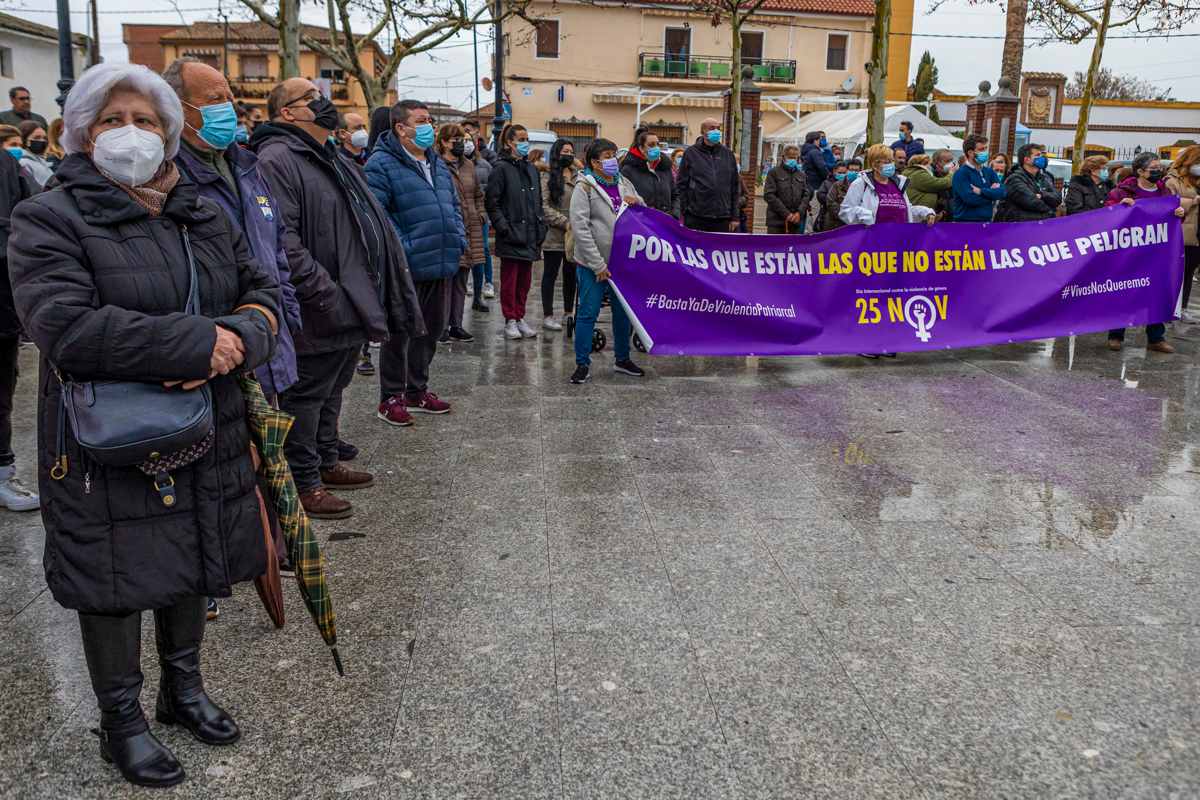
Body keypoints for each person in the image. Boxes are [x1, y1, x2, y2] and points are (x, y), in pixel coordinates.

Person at [8, 62, 280, 788]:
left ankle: (182, 690)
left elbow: (261, 293)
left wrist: (242, 336)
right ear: (82, 133)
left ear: (169, 133)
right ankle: (120, 719)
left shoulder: (199, 210)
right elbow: (63, 325)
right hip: (109, 439)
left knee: (196, 552)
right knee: (118, 574)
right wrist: (197, 343)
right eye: (111, 119)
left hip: (207, 418)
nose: (131, 133)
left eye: (147, 119)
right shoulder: (49, 217)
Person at [164, 57, 304, 614]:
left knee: (266, 457)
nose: (228, 105)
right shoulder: (170, 174)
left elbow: (274, 253)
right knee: (213, 469)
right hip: (211, 352)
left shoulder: (245, 166)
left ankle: (266, 550)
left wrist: (282, 314)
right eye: (213, 96)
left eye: (227, 92)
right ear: (180, 109)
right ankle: (209, 575)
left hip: (265, 338)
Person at [253, 77, 421, 518]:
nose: (321, 103)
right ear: (286, 112)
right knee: (306, 396)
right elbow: (283, 241)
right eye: (309, 98)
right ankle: (303, 482)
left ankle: (327, 460)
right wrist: (327, 293)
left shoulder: (325, 153)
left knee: (334, 388)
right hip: (321, 305)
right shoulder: (277, 158)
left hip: (350, 298)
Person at [366, 99, 465, 421]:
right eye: (421, 121)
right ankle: (390, 397)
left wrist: (458, 238)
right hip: (407, 264)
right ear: (401, 127)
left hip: (442, 259)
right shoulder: (380, 164)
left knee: (431, 330)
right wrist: (403, 247)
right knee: (401, 332)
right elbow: (376, 216)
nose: (429, 127)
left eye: (430, 120)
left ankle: (416, 391)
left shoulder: (436, 163)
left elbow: (452, 205)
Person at [568, 137, 645, 384]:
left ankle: (622, 359)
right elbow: (580, 229)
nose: (613, 160)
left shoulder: (623, 182)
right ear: (594, 162)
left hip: (623, 263)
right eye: (607, 156)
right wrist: (597, 265)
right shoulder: (584, 187)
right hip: (594, 265)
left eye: (614, 154)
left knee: (623, 314)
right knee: (588, 313)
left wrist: (638, 202)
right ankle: (582, 363)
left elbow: (642, 209)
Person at [1104, 152, 1185, 353]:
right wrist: (1120, 207)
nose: (1159, 171)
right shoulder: (1122, 192)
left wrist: (1178, 215)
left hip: (1155, 254)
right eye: (1154, 168)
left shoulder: (1164, 192)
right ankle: (1116, 335)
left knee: (1155, 292)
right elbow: (1108, 215)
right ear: (1140, 171)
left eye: (1160, 167)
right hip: (1128, 255)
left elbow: (1171, 221)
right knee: (1123, 291)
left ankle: (1156, 338)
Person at [485, 122, 546, 339]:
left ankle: (520, 317)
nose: (525, 143)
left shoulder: (531, 168)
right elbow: (492, 203)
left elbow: (538, 201)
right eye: (520, 139)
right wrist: (503, 228)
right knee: (510, 281)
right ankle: (509, 319)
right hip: (511, 234)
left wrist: (541, 225)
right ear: (509, 142)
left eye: (526, 138)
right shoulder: (500, 168)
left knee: (525, 281)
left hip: (530, 234)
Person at [437, 122, 484, 342]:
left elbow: (478, 195)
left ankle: (456, 324)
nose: (461, 144)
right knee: (446, 280)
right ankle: (441, 326)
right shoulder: (436, 165)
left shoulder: (468, 166)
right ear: (444, 142)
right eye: (456, 140)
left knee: (462, 279)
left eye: (463, 140)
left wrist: (481, 215)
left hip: (470, 227)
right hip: (448, 228)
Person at [541, 137, 579, 331]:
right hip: (555, 234)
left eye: (571, 151)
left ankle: (568, 312)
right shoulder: (548, 177)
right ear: (557, 153)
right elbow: (544, 206)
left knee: (571, 275)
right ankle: (548, 315)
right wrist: (564, 222)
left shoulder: (578, 176)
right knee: (550, 274)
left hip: (574, 236)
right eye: (564, 151)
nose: (568, 155)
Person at [677, 117, 740, 232]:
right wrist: (685, 210)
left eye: (718, 128)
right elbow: (681, 184)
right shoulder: (691, 153)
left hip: (722, 218)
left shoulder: (727, 154)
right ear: (703, 131)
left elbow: (735, 187)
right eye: (712, 128)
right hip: (696, 217)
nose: (716, 131)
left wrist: (735, 216)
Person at [1165, 145, 1200, 319]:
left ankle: (1183, 307)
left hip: (1196, 234)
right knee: (1178, 272)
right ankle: (1171, 307)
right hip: (1182, 233)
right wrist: (1193, 201)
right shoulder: (1173, 179)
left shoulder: (1197, 180)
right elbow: (1169, 203)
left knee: (1189, 272)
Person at [994, 143, 1061, 222]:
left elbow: (1058, 198)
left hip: (1038, 225)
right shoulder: (1015, 179)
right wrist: (1050, 211)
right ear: (1026, 160)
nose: (1042, 158)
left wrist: (1042, 195)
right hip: (1017, 226)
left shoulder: (1045, 177)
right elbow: (1032, 202)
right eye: (1038, 155)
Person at [621, 129, 677, 218]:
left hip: (666, 221)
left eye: (657, 144)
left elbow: (675, 194)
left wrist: (674, 214)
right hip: (642, 223)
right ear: (641, 148)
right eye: (651, 145)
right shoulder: (628, 170)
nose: (656, 148)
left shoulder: (665, 168)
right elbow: (624, 198)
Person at [467, 132, 495, 307]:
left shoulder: (484, 165)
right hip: (462, 216)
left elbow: (489, 192)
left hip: (480, 216)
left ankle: (487, 283)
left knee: (483, 249)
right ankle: (468, 283)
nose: (467, 144)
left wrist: (485, 214)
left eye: (469, 140)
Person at [950, 134, 1004, 222]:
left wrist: (981, 191)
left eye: (986, 148)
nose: (985, 152)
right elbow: (971, 199)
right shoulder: (961, 174)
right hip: (966, 223)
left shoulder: (989, 171)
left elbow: (1002, 192)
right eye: (981, 149)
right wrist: (991, 194)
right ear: (970, 153)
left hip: (986, 221)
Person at [763, 145, 810, 234]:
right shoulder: (774, 172)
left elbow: (806, 195)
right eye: (790, 157)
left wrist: (799, 212)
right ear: (784, 157)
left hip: (796, 220)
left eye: (794, 157)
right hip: (776, 221)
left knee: (794, 247)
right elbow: (769, 195)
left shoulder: (802, 175)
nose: (792, 160)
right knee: (775, 247)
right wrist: (786, 214)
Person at [821, 158, 861, 231]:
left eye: (856, 170)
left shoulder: (863, 186)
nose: (853, 172)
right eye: (851, 170)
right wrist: (845, 215)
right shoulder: (837, 185)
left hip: (855, 226)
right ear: (847, 170)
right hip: (836, 225)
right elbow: (830, 202)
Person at [16, 120, 53, 189]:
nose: (42, 141)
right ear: (24, 139)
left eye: (44, 138)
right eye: (37, 137)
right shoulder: (23, 162)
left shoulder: (40, 160)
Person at [801, 131, 830, 199]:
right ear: (815, 140)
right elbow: (822, 167)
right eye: (820, 139)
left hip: (809, 180)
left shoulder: (806, 150)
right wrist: (828, 177)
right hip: (817, 182)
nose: (820, 142)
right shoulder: (815, 152)